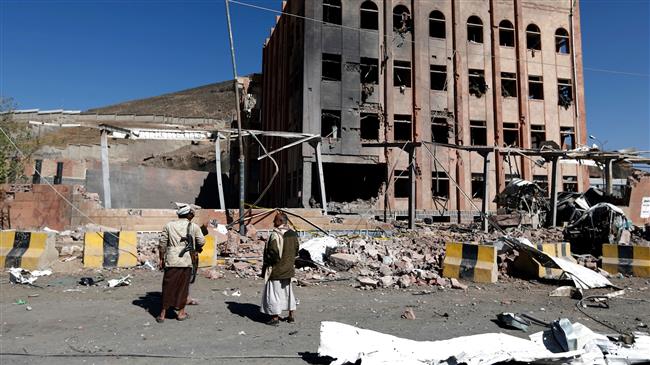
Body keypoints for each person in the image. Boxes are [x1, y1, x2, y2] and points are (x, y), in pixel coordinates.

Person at [156, 204, 205, 323]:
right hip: (186, 260)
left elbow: (162, 244)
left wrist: (161, 258)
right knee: (183, 287)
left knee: (168, 286)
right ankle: (181, 313)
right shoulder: (193, 226)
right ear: (188, 215)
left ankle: (162, 314)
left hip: (171, 260)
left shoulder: (169, 225)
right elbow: (202, 242)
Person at [260, 212, 299, 326]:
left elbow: (273, 253)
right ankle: (291, 316)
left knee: (274, 294)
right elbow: (296, 250)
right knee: (288, 293)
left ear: (281, 221)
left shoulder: (275, 235)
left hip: (276, 270)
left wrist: (267, 264)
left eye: (275, 220)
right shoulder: (293, 234)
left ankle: (275, 318)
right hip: (288, 269)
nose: (273, 222)